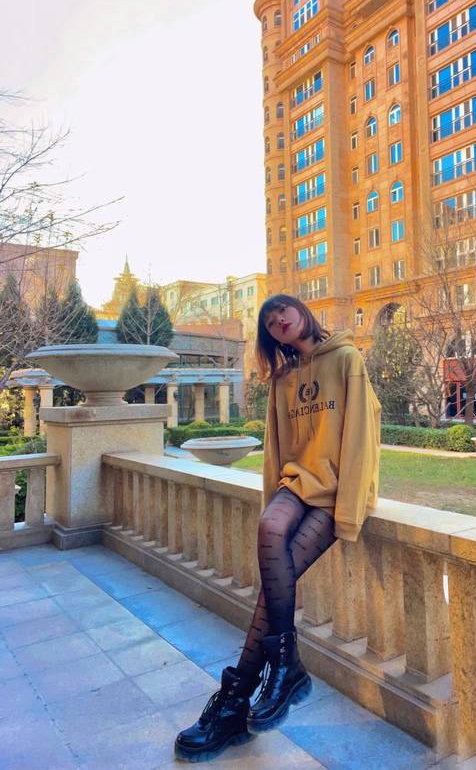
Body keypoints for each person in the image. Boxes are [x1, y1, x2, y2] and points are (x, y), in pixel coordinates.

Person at [175, 293, 381, 763]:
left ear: (301, 312)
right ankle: (286, 665)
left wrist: (349, 509)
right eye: (269, 321)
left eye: (282, 311)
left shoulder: (346, 358)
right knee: (270, 525)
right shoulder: (282, 380)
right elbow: (276, 451)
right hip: (296, 484)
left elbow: (362, 438)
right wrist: (276, 494)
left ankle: (233, 701)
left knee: (271, 597)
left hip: (335, 491)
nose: (278, 320)